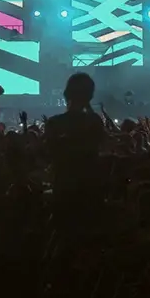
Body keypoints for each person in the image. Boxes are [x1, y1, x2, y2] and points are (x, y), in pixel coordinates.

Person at [44, 72, 107, 219]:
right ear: (90, 95)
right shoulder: (94, 121)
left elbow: (48, 153)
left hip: (64, 187)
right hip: (91, 189)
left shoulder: (55, 123)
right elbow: (102, 145)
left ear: (66, 94)